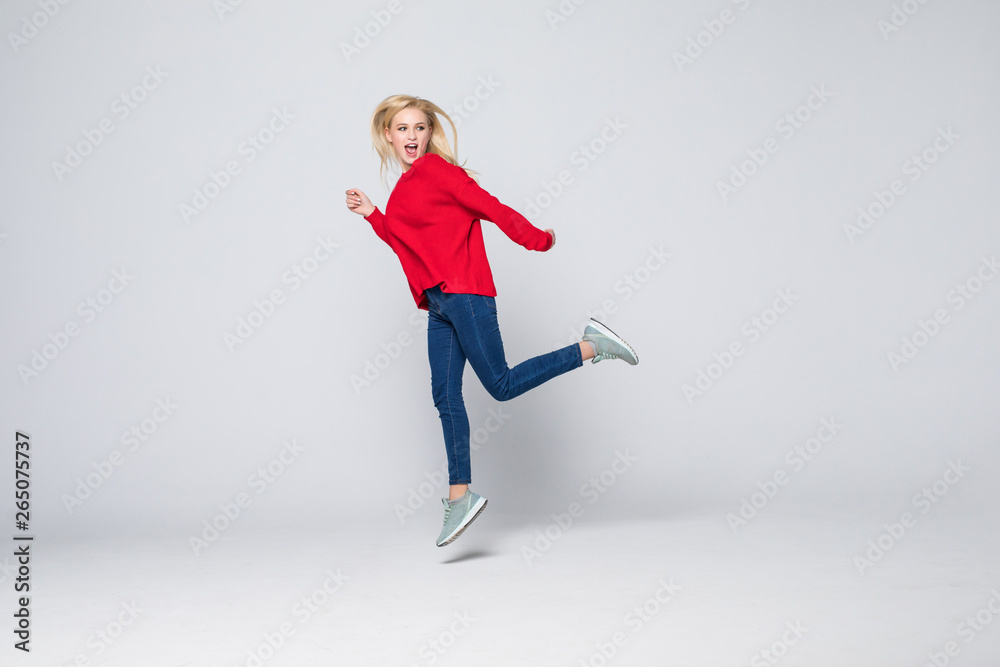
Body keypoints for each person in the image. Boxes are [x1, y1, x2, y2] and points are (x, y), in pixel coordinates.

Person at [346, 94, 638, 547]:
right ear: (388, 134)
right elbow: (409, 244)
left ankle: (591, 345)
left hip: (465, 294)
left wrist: (539, 240)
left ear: (430, 133)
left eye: (419, 128)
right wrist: (373, 215)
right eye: (402, 128)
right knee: (444, 395)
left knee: (500, 385)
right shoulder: (404, 186)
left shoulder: (441, 172)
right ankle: (459, 497)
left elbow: (491, 207)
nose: (412, 136)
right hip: (440, 302)